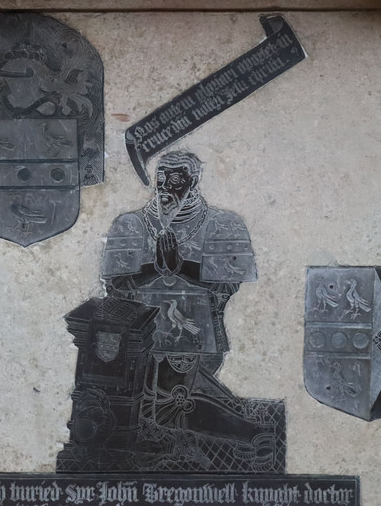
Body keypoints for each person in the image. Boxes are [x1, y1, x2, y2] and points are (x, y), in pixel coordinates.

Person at [98, 151, 283, 471]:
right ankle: (241, 432)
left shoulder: (223, 224)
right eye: (161, 178)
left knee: (169, 405)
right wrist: (154, 270)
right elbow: (115, 284)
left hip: (197, 337)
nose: (165, 187)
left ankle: (252, 435)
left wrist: (181, 267)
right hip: (138, 336)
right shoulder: (130, 223)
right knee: (141, 406)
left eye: (175, 179)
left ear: (193, 182)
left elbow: (227, 284)